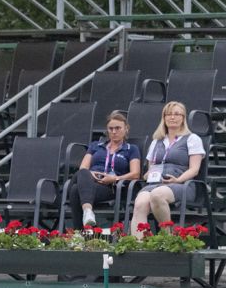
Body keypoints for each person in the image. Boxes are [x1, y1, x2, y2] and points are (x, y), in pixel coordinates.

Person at [129, 101, 206, 237]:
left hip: (182, 183)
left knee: (157, 195)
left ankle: (166, 236)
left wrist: (178, 180)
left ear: (183, 118)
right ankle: (138, 245)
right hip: (156, 183)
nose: (172, 117)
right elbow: (151, 168)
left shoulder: (192, 139)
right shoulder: (156, 141)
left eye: (177, 114)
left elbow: (194, 169)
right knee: (140, 203)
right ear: (163, 118)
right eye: (168, 114)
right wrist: (148, 174)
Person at [68, 111, 141, 229]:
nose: (114, 132)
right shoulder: (95, 146)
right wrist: (92, 174)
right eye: (110, 128)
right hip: (89, 180)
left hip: (109, 187)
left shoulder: (131, 149)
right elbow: (83, 167)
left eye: (117, 128)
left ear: (126, 129)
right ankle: (87, 211)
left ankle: (81, 233)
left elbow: (135, 174)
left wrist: (115, 178)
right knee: (83, 173)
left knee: (75, 191)